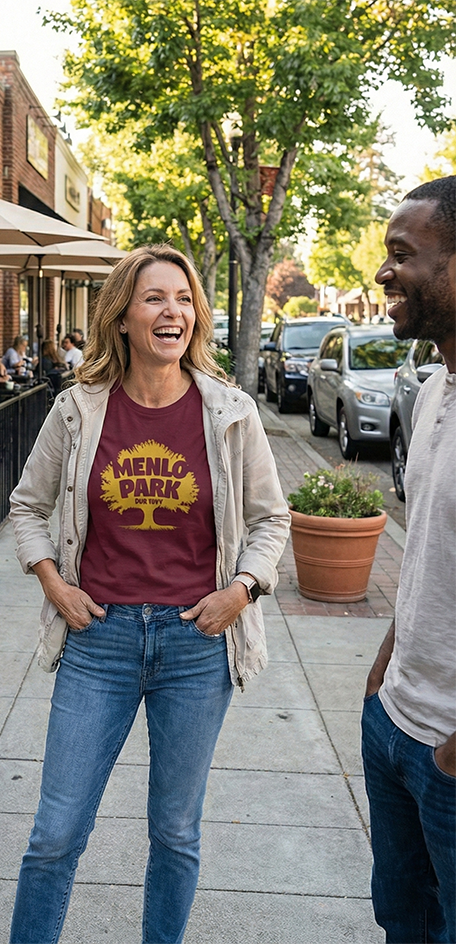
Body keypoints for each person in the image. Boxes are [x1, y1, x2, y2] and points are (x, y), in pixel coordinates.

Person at [8, 245, 290, 944]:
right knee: (55, 832)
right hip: (96, 641)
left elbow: (270, 518)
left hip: (194, 644)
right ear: (124, 318)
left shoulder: (229, 412)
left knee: (174, 831)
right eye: (154, 298)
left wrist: (242, 591)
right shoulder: (79, 409)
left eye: (184, 299)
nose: (173, 312)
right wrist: (54, 584)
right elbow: (25, 506)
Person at [363, 175, 456, 942]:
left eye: (402, 254)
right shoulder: (430, 390)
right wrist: (384, 667)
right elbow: (427, 547)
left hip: (449, 751)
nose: (383, 272)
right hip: (393, 718)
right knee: (402, 922)